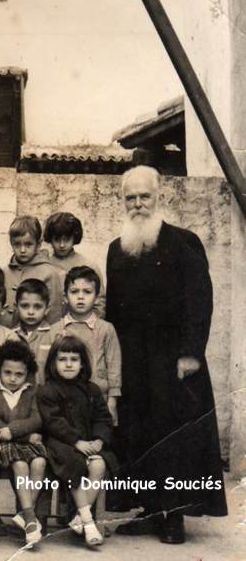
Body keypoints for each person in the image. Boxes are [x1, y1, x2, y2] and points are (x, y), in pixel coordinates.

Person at [106, 166, 227, 543]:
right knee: (137, 431)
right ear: (123, 202)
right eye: (131, 198)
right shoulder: (117, 248)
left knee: (173, 434)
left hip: (174, 360)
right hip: (132, 360)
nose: (138, 204)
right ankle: (147, 507)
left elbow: (199, 301)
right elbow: (113, 311)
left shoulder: (183, 242)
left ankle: (174, 515)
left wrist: (191, 353)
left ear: (159, 197)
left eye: (144, 196)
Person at [38, 336, 115, 548]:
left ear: (83, 363)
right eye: (63, 359)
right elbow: (53, 423)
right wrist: (76, 441)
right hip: (61, 444)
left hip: (89, 443)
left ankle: (78, 518)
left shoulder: (92, 389)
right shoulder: (48, 390)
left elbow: (103, 418)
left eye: (74, 359)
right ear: (53, 363)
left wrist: (99, 439)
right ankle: (88, 522)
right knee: (75, 464)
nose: (69, 364)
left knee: (99, 464)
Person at [0, 340, 47, 546]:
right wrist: (23, 435)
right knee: (20, 465)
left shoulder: (33, 391)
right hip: (7, 446)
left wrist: (13, 430)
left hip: (25, 443)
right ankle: (30, 517)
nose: (12, 379)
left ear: (27, 374)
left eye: (19, 374)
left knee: (39, 463)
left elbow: (37, 419)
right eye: (7, 372)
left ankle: (23, 513)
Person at [52, 266, 121, 424]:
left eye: (87, 292)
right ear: (65, 296)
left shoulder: (106, 329)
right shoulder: (56, 329)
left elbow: (114, 367)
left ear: (97, 297)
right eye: (74, 292)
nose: (80, 297)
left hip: (98, 401)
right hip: (65, 402)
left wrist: (112, 401)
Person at [0, 216, 64, 327]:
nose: (22, 250)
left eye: (28, 244)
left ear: (38, 244)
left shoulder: (49, 273)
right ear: (11, 243)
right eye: (17, 244)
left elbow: (54, 315)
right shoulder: (4, 272)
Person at [44, 211, 106, 317]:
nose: (62, 245)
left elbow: (99, 304)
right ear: (50, 239)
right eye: (57, 240)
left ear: (74, 238)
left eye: (67, 239)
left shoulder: (88, 266)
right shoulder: (44, 265)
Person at [12, 278, 60, 384]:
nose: (31, 312)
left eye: (37, 307)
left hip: (44, 394)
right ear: (16, 307)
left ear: (47, 309)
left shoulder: (54, 336)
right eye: (25, 306)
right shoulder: (10, 335)